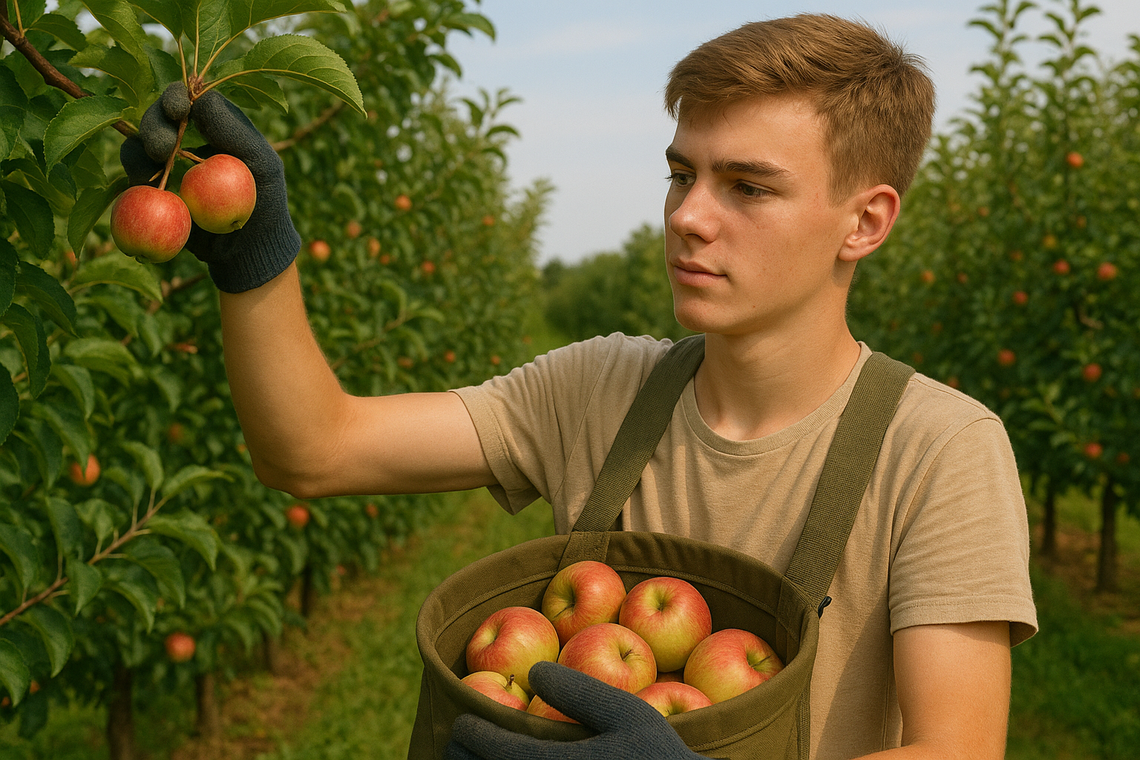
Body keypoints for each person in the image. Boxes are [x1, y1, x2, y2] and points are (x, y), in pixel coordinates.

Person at [122, 13, 1037, 760]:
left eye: (747, 188)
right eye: (682, 174)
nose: (687, 216)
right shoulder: (602, 386)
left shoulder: (936, 448)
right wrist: (255, 257)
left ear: (865, 222)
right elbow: (312, 450)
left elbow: (955, 746)